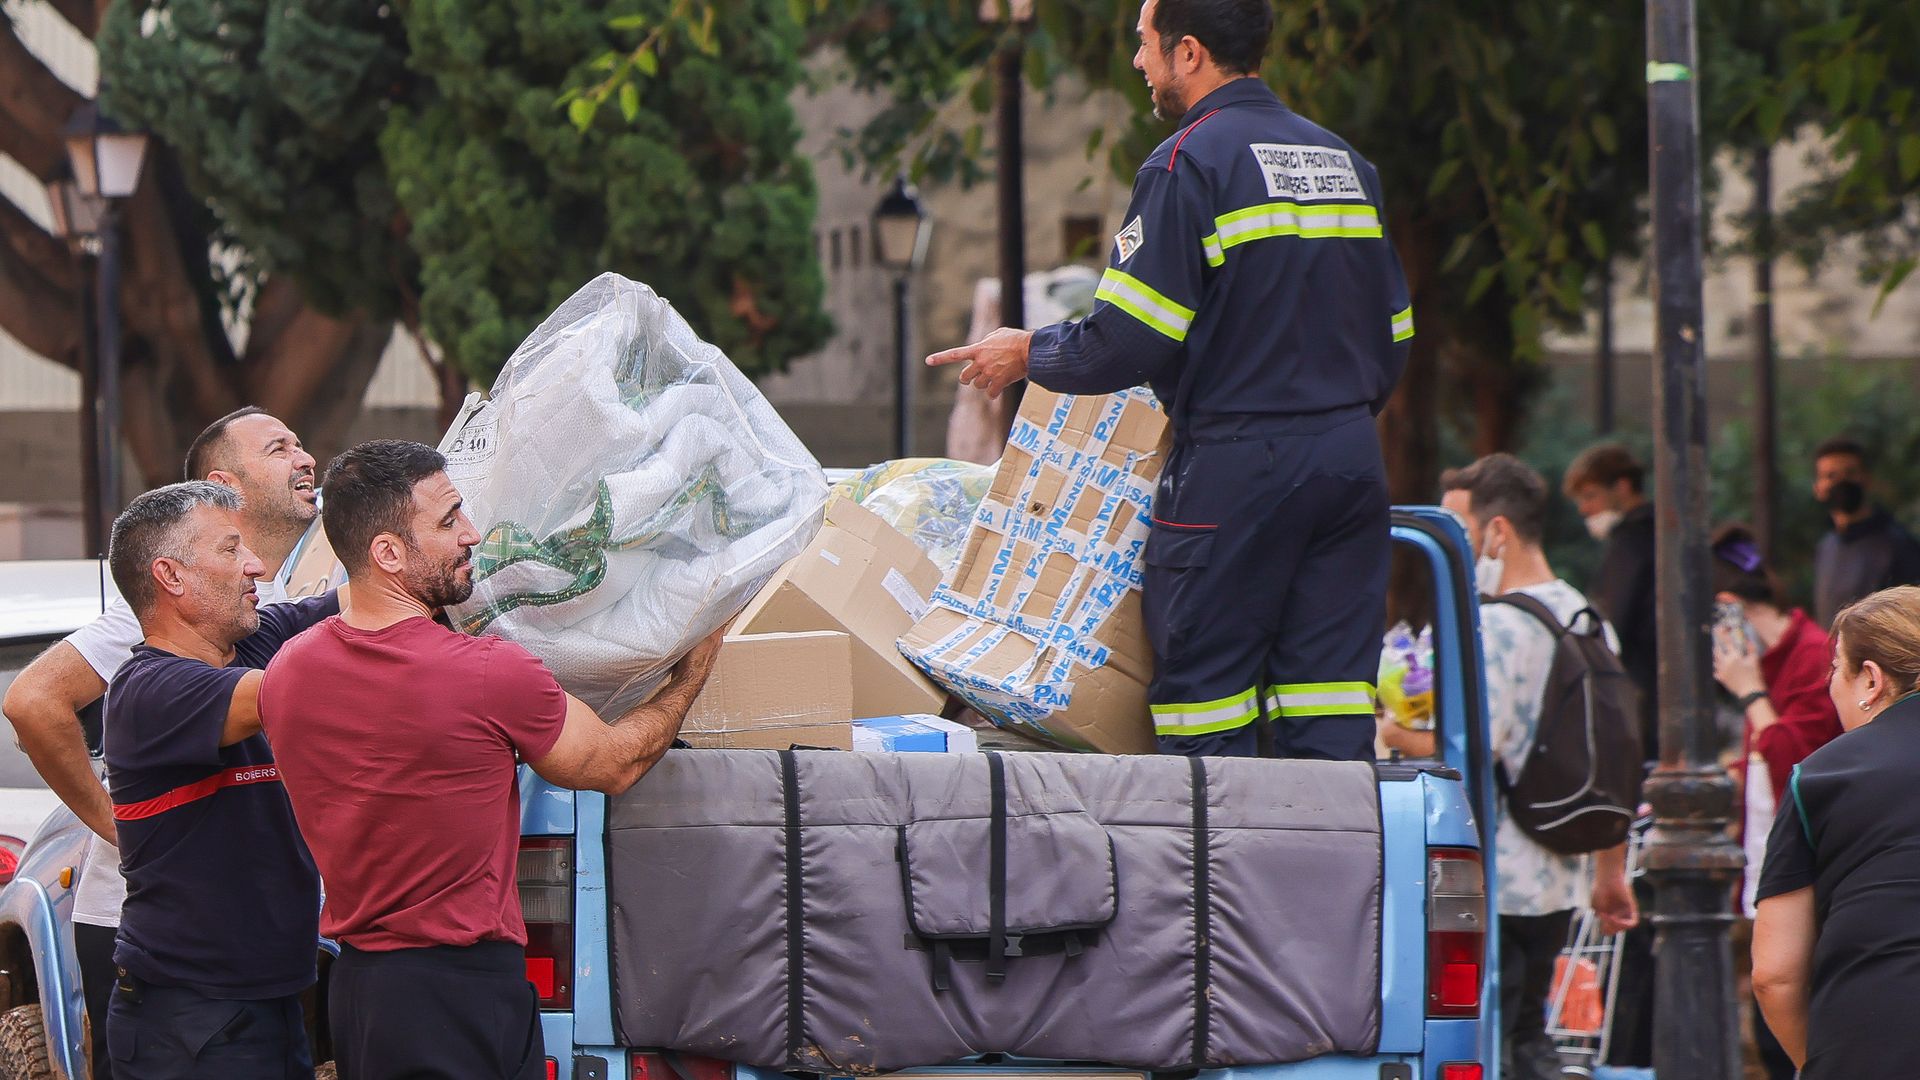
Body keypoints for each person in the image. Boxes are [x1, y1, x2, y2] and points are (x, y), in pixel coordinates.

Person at [926, 0, 1411, 761]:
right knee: (1328, 704)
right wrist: (1328, 416)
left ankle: (1220, 878)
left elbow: (1124, 342)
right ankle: (1328, 875)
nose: (1138, 63)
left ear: (1189, 53)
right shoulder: (1345, 166)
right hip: (1350, 462)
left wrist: (1026, 354)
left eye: (1145, 45)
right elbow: (1396, 336)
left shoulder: (1188, 164)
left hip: (1239, 465)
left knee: (1205, 712)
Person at [256, 441, 723, 1080]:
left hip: (361, 991)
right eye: (448, 521)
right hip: (461, 989)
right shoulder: (485, 673)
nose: (471, 534)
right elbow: (613, 763)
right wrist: (693, 669)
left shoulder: (289, 671)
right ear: (388, 552)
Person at [0, 406, 330, 1080]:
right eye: (278, 448)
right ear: (225, 483)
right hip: (153, 940)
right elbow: (32, 700)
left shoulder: (270, 599)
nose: (305, 459)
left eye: (300, 442)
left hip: (252, 959)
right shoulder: (157, 617)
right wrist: (114, 820)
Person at [1386, 454, 1637, 1080]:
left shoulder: (1494, 627)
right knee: (1527, 1031)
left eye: (1460, 531)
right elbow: (1614, 754)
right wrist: (1611, 873)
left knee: (1489, 1040)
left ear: (1496, 533)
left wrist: (1390, 731)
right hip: (1560, 871)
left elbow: (1465, 749)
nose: (1456, 549)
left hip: (1492, 877)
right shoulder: (1587, 618)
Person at [100, 481, 340, 1077]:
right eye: (232, 550)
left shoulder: (256, 639)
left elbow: (369, 603)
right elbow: (295, 692)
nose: (256, 566)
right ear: (172, 577)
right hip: (192, 1019)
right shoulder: (147, 692)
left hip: (274, 999)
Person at [1752, 585, 1920, 1076]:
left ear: (1871, 680)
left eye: (1834, 670)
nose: (1831, 686)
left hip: (1871, 1039)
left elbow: (1774, 974)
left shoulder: (1820, 777)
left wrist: (1820, 1064)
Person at [1706, 523, 1842, 1079]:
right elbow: (1763, 763)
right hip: (1769, 856)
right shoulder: (1773, 660)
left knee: (1782, 1008)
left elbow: (1797, 766)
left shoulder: (1813, 656)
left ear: (1730, 608)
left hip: (1814, 863)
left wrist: (1751, 693)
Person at [1562, 442, 1657, 760]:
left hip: (1639, 686)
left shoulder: (1632, 541)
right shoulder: (1655, 533)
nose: (1584, 509)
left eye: (1590, 496)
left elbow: (1614, 621)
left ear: (1623, 487)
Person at [1810, 436, 1920, 628]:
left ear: (1867, 479)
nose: (1841, 482)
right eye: (1830, 476)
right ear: (1818, 489)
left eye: (1850, 472)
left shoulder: (1899, 545)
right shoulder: (1826, 547)